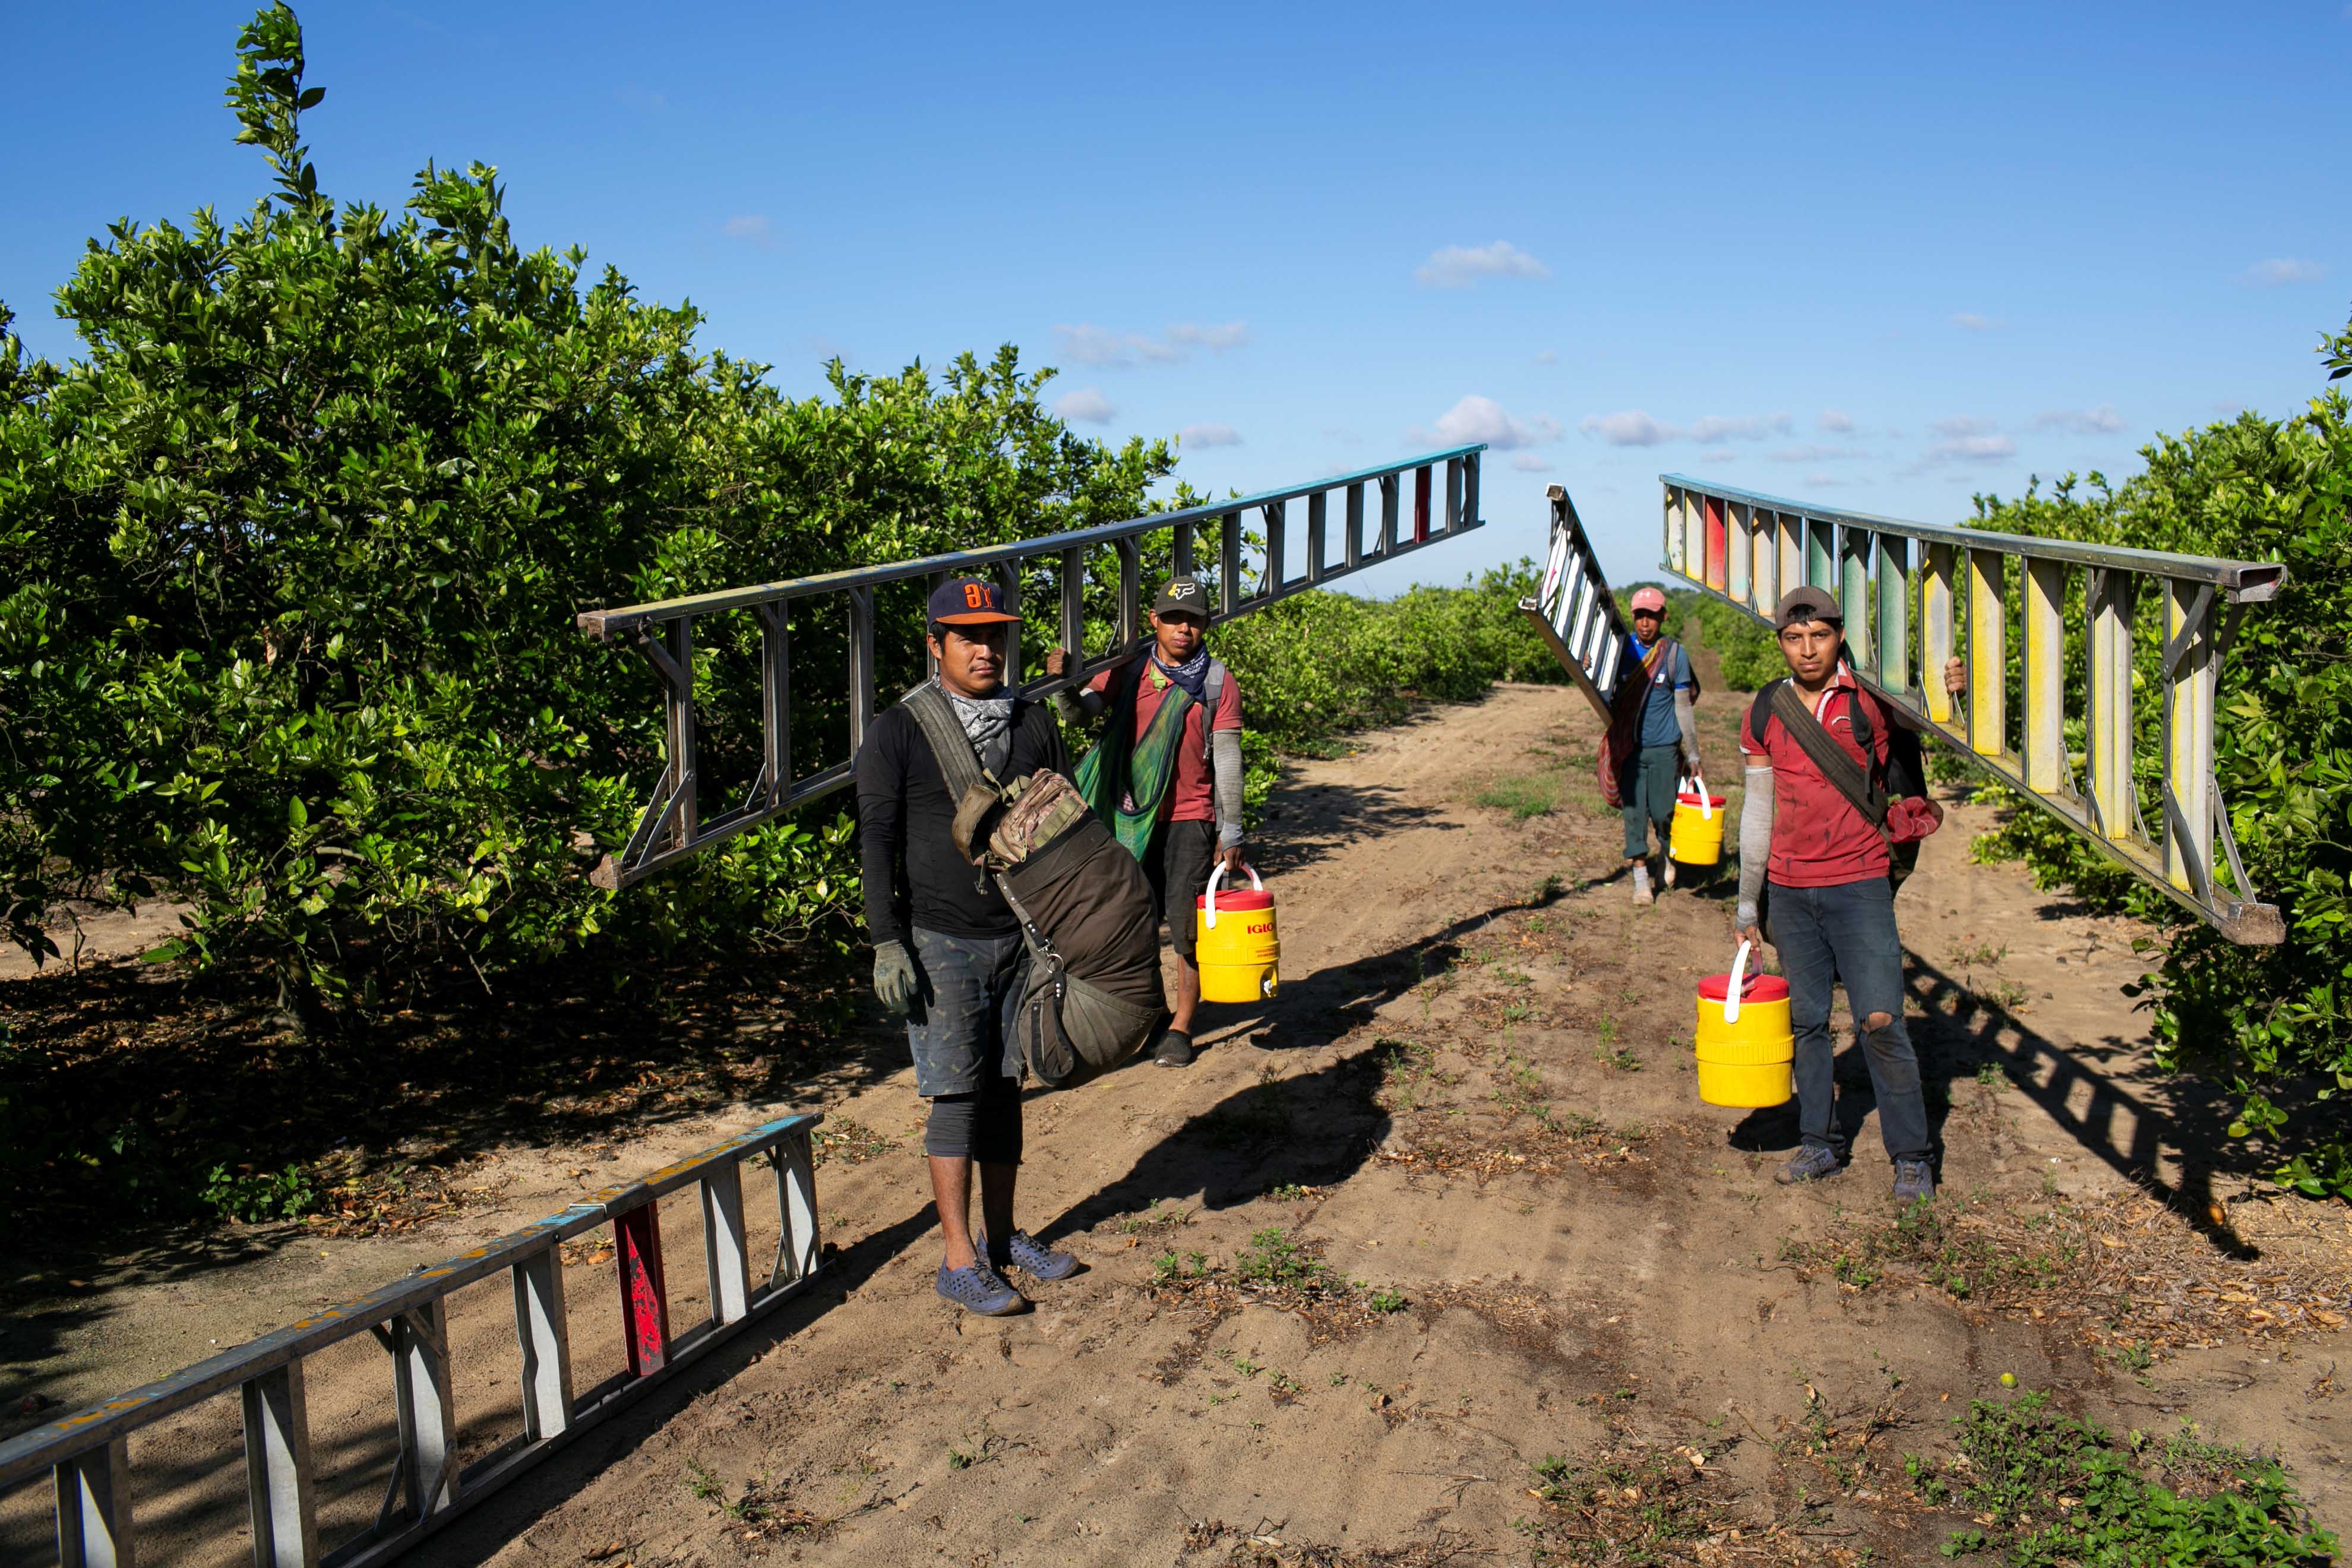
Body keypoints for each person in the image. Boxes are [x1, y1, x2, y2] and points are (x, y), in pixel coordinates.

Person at [855, 576, 1080, 1316]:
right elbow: (878, 838)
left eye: (995, 636)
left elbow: (1065, 827)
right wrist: (887, 942)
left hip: (1019, 934)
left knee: (1006, 1089)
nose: (986, 649)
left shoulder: (1032, 721)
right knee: (955, 1096)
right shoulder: (900, 729)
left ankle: (1005, 1238)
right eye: (968, 637)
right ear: (936, 645)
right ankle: (958, 1262)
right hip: (941, 939)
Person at [1734, 585, 1950, 1203]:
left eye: (1819, 636)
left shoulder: (1871, 701)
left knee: (1880, 1021)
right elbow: (1759, 809)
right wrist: (1750, 902)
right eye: (1794, 638)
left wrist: (1952, 685)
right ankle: (1820, 1143)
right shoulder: (1766, 710)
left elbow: (1937, 716)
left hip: (1859, 885)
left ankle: (1911, 1157)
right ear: (1780, 641)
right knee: (1806, 1023)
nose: (1807, 650)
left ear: (1839, 637)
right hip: (1792, 891)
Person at [1044, 574, 1246, 1070]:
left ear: (1206, 626)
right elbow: (1079, 714)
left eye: (1193, 620)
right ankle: (1150, 1011)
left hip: (1188, 820)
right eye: (1173, 619)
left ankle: (1180, 1025)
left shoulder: (1217, 682)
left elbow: (1227, 760)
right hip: (1126, 817)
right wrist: (1063, 682)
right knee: (1131, 920)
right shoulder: (1129, 669)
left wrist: (1232, 830)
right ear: (1154, 621)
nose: (1183, 629)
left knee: (1184, 925)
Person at [1617, 586, 1703, 905]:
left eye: (1652, 616)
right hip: (1629, 748)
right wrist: (1587, 665)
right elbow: (1599, 685)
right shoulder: (1622, 650)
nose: (1645, 623)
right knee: (1635, 814)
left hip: (1665, 748)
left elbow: (1683, 706)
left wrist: (1693, 753)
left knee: (1665, 812)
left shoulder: (1674, 654)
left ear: (1663, 617)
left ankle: (1667, 854)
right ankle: (1641, 880)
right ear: (1633, 617)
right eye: (1640, 616)